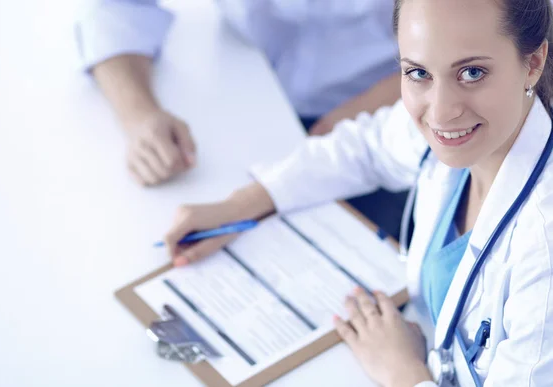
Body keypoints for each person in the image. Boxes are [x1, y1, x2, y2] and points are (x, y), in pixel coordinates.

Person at [162, 0, 553, 385]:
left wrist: (403, 372)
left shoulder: (544, 247)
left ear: (533, 63)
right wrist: (242, 205)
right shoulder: (461, 132)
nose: (439, 112)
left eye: (471, 73)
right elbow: (365, 147)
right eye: (417, 73)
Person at [75, 0, 407, 239]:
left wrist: (373, 104)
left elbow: (457, 34)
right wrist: (139, 114)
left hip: (392, 110)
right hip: (245, 90)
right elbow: (118, 7)